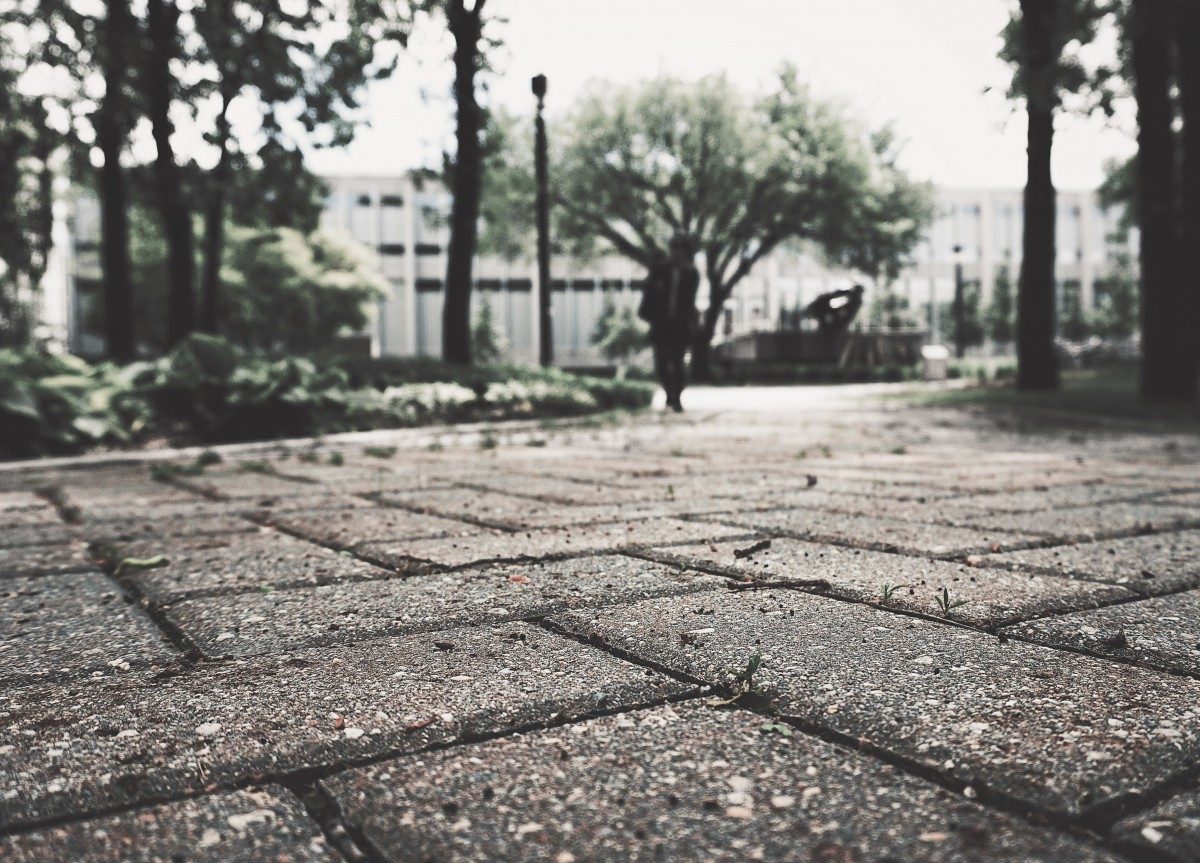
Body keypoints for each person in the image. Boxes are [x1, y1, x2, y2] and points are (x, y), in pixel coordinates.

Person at [638, 235, 699, 412]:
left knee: (678, 361)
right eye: (675, 249)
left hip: (680, 325)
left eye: (682, 250)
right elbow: (648, 292)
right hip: (661, 324)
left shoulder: (691, 273)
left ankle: (676, 397)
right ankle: (669, 393)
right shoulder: (659, 271)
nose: (678, 254)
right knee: (661, 361)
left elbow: (690, 302)